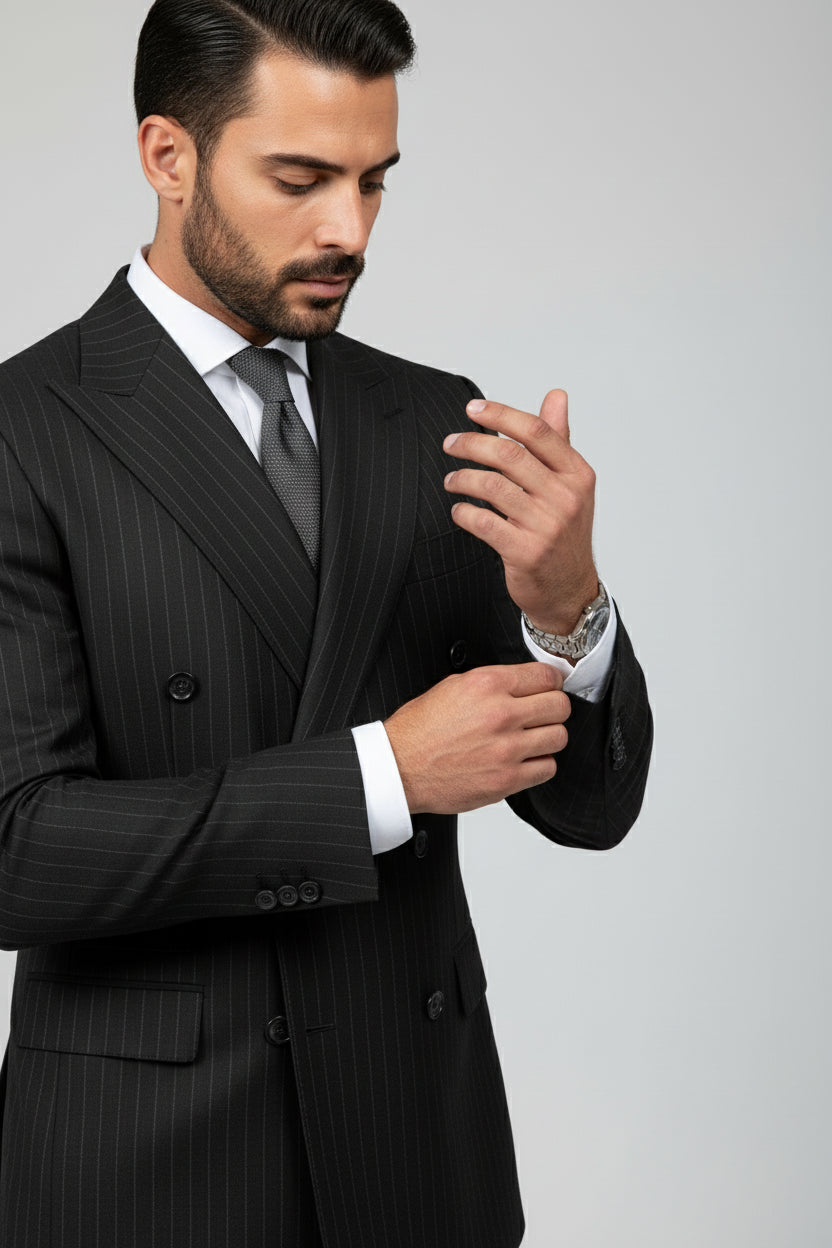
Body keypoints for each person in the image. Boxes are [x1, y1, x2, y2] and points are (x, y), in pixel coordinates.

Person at [0, 1, 652, 1245]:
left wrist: (568, 605)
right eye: (298, 179)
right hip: (143, 1175)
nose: (346, 229)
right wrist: (382, 777)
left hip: (417, 1150)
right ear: (167, 156)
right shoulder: (25, 430)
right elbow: (14, 850)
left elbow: (588, 810)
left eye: (372, 182)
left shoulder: (432, 419)